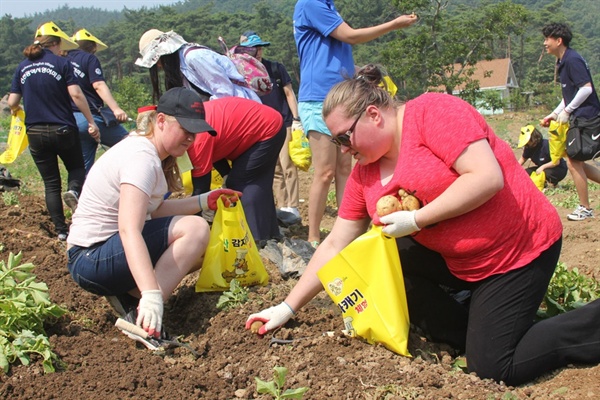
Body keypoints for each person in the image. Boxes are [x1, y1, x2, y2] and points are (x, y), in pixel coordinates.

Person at [246, 64, 600, 386]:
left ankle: (587, 324)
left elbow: (486, 177)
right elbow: (336, 243)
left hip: (517, 252)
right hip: (462, 263)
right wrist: (286, 307)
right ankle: (477, 326)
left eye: (344, 137)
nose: (342, 149)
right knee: (382, 252)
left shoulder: (433, 113)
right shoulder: (365, 173)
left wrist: (418, 218)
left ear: (373, 115)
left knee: (494, 369)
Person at [66, 87, 241, 339]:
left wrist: (204, 200)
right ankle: (143, 313)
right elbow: (129, 228)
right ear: (160, 121)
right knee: (196, 229)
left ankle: (133, 300)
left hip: (98, 256)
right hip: (91, 257)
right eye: (185, 130)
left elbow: (155, 211)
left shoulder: (148, 152)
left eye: (195, 132)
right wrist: (151, 294)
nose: (191, 138)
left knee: (200, 241)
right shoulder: (142, 159)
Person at [293, 0, 418, 248]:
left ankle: (347, 231)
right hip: (318, 99)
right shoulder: (310, 3)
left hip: (342, 99)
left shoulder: (328, 8)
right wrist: (394, 24)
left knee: (344, 170)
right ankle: (314, 237)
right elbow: (349, 36)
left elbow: (333, 54)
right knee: (325, 171)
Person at [8, 21, 100, 241]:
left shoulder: (22, 67)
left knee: (50, 183)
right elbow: (77, 95)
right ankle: (74, 192)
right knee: (77, 168)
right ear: (57, 44)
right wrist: (91, 121)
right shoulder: (61, 64)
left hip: (35, 133)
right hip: (63, 129)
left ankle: (60, 230)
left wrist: (17, 109)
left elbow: (12, 101)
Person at [187, 96, 285, 245]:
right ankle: (269, 233)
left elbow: (200, 191)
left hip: (265, 129)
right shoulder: (193, 123)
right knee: (258, 181)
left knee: (241, 182)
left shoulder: (195, 141)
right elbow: (216, 149)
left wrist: (194, 230)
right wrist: (226, 173)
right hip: (263, 123)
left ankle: (254, 239)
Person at [238, 30, 302, 225]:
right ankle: (282, 205)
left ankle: (293, 205)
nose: (257, 52)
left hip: (283, 122)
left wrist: (297, 119)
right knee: (273, 168)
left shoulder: (275, 68)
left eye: (259, 48)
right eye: (251, 49)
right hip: (261, 127)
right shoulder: (243, 72)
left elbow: (289, 93)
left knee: (287, 164)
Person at [540, 22, 600, 221]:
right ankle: (585, 207)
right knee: (576, 161)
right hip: (580, 117)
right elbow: (570, 95)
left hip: (587, 118)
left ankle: (585, 208)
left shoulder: (572, 60)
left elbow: (586, 89)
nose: (544, 43)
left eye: (547, 39)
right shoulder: (563, 61)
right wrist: (555, 114)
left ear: (559, 41)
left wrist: (567, 111)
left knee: (574, 161)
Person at [135, 29, 260, 103]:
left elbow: (224, 93)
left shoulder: (194, 57)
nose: (159, 66)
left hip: (245, 107)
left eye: (157, 61)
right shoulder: (181, 65)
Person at [67, 28, 129, 175]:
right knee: (130, 144)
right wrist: (116, 109)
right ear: (93, 47)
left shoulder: (63, 60)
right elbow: (98, 85)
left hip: (72, 118)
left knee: (84, 163)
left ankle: (79, 192)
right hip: (91, 117)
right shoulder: (89, 59)